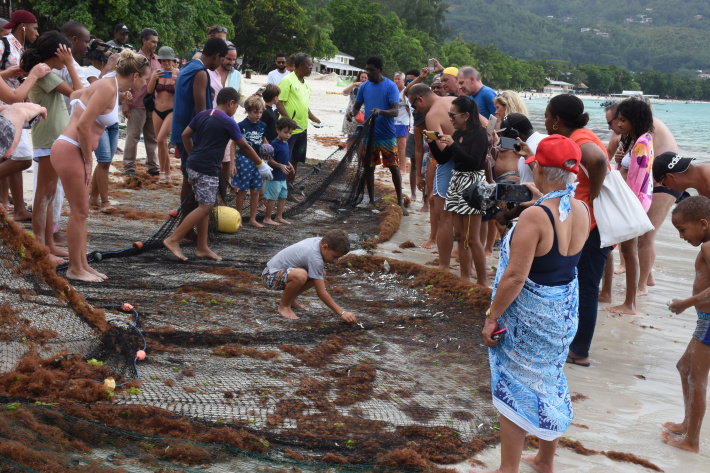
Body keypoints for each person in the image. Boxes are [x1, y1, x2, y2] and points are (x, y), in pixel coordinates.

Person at [477, 135, 589, 473]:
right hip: (563, 313)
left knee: (516, 384)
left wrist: (490, 317)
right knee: (549, 380)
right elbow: (560, 250)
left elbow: (514, 278)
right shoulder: (581, 209)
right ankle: (544, 460)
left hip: (531, 319)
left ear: (538, 167)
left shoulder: (535, 218)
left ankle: (507, 468)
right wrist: (543, 200)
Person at [50, 49, 151, 282]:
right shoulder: (107, 87)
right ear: (135, 76)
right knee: (80, 212)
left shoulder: (109, 85)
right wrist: (87, 161)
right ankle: (75, 269)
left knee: (82, 212)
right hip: (70, 149)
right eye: (145, 78)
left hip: (71, 149)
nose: (146, 83)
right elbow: (84, 126)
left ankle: (82, 263)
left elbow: (76, 95)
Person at [542, 94, 610, 367]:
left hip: (592, 225)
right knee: (581, 283)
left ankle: (580, 350)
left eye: (547, 117)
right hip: (589, 222)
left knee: (587, 287)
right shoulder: (583, 133)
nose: (546, 122)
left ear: (557, 120)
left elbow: (598, 161)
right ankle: (574, 342)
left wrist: (592, 196)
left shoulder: (579, 139)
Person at [164, 87, 263, 261]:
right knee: (206, 207)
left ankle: (202, 247)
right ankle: (174, 239)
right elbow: (245, 146)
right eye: (236, 107)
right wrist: (261, 164)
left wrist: (192, 153)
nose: (235, 111)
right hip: (206, 169)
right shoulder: (228, 121)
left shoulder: (203, 114)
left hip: (193, 165)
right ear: (231, 103)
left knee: (204, 205)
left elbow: (185, 135)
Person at [24, 33, 83, 265]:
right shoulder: (45, 72)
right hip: (49, 138)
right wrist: (70, 65)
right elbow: (78, 93)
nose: (70, 56)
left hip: (52, 137)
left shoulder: (48, 72)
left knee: (49, 194)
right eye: (67, 52)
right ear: (58, 52)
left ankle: (47, 244)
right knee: (44, 194)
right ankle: (39, 249)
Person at [662, 196, 710, 454]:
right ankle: (687, 423)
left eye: (682, 230)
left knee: (697, 378)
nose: (681, 236)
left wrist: (685, 303)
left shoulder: (708, 246)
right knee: (684, 367)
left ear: (703, 224)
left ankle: (692, 441)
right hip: (706, 320)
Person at [426, 96, 488, 285]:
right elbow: (444, 159)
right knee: (460, 236)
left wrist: (454, 145)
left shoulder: (479, 134)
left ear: (466, 115)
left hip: (472, 185)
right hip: (457, 182)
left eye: (453, 115)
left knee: (472, 238)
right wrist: (430, 142)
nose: (450, 119)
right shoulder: (457, 133)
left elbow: (474, 163)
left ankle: (482, 282)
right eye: (449, 114)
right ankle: (464, 278)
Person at [172, 37, 229, 234]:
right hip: (192, 135)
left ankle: (186, 227)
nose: (220, 64)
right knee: (191, 179)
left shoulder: (188, 67)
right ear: (216, 56)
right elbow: (201, 112)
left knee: (189, 176)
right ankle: (185, 230)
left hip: (181, 130)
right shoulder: (201, 73)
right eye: (221, 59)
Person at [605, 98, 654, 316]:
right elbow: (626, 169)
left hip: (632, 202)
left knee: (629, 250)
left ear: (635, 120)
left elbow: (637, 179)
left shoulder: (642, 143)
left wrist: (625, 206)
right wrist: (620, 159)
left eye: (624, 120)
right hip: (631, 201)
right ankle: (624, 300)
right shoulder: (635, 140)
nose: (620, 124)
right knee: (626, 249)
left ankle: (629, 304)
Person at [347, 56, 407, 216]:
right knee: (369, 168)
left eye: (372, 70)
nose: (369, 73)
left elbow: (394, 111)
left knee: (393, 168)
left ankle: (400, 202)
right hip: (369, 135)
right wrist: (351, 114)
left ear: (380, 70)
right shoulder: (364, 86)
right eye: (367, 69)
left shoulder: (390, 86)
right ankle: (371, 200)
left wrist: (381, 111)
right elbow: (356, 107)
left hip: (387, 135)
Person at [408, 84, 457, 272]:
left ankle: (443, 265)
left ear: (420, 99)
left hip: (448, 163)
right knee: (464, 216)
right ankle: (467, 267)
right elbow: (487, 125)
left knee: (443, 214)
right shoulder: (456, 101)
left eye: (414, 106)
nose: (416, 110)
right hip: (471, 163)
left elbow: (443, 156)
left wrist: (433, 144)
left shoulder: (431, 115)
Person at [262, 229, 357, 323]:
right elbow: (321, 292)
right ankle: (284, 306)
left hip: (280, 272)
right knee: (301, 275)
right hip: (269, 277)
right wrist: (342, 312)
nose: (336, 261)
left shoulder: (319, 242)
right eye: (334, 256)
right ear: (325, 247)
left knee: (321, 273)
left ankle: (290, 299)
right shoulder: (315, 257)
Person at [0, 10, 41, 222]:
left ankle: (19, 209)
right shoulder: (4, 43)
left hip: (16, 107)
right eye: (34, 28)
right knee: (23, 158)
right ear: (22, 26)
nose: (37, 32)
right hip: (6, 108)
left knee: (13, 156)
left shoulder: (20, 47)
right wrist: (6, 75)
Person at [275, 53, 320, 201]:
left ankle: (289, 189)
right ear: (301, 65)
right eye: (309, 64)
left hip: (302, 128)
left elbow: (304, 106)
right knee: (284, 159)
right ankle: (277, 190)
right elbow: (279, 102)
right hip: (289, 130)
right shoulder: (287, 80)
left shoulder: (306, 84)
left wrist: (314, 118)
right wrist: (289, 121)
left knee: (295, 160)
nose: (311, 67)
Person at [122, 28, 160, 176]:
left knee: (152, 137)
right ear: (144, 40)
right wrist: (125, 102)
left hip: (153, 104)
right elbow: (126, 81)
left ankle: (153, 166)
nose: (155, 44)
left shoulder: (157, 60)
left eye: (156, 42)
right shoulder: (135, 59)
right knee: (133, 136)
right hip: (136, 103)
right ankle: (129, 166)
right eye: (152, 41)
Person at [234, 95, 268, 228]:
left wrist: (267, 150)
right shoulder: (241, 125)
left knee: (255, 190)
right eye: (255, 112)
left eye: (260, 112)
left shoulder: (263, 125)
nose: (258, 115)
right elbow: (233, 144)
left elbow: (264, 140)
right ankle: (239, 217)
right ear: (247, 110)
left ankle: (253, 219)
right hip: (244, 159)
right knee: (242, 190)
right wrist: (232, 162)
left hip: (258, 161)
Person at [147, 46, 179, 183]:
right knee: (161, 143)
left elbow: (181, 95)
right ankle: (166, 173)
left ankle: (165, 172)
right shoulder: (157, 72)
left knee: (160, 139)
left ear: (172, 60)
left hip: (171, 111)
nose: (165, 64)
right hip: (157, 110)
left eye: (168, 61)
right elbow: (149, 92)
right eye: (163, 61)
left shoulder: (178, 73)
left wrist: (177, 81)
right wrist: (153, 79)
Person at [264, 117, 297, 226]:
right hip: (274, 177)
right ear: (278, 130)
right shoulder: (274, 143)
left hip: (282, 177)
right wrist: (280, 166)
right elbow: (270, 160)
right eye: (286, 132)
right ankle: (267, 218)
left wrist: (289, 164)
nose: (288, 135)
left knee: (283, 196)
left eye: (290, 133)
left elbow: (284, 157)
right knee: (272, 198)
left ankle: (279, 216)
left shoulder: (285, 143)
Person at [393, 71, 414, 203]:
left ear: (403, 80)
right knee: (393, 144)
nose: (396, 81)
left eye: (398, 79)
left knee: (402, 144)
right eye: (395, 79)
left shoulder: (406, 91)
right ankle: (396, 165)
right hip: (392, 120)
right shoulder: (392, 90)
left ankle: (403, 168)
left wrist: (411, 121)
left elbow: (409, 107)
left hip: (403, 121)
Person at [341, 71, 367, 136]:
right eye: (362, 77)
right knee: (350, 135)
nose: (363, 79)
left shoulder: (368, 87)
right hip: (351, 112)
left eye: (365, 78)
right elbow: (344, 93)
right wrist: (353, 84)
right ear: (359, 77)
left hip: (362, 114)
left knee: (360, 136)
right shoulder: (354, 86)